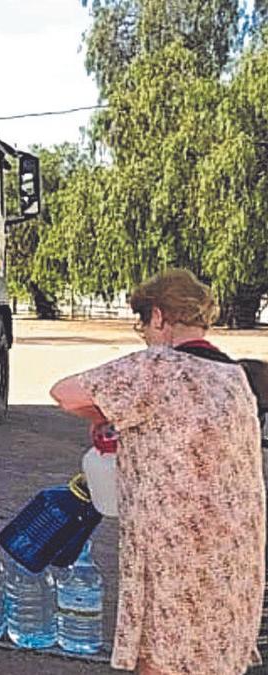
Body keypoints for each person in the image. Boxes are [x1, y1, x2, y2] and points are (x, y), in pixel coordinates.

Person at [50, 269, 264, 675]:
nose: (145, 334)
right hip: (232, 551)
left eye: (145, 322)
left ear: (161, 317)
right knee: (213, 654)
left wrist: (104, 414)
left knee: (164, 656)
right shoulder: (234, 377)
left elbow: (65, 394)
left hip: (173, 551)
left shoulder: (157, 366)